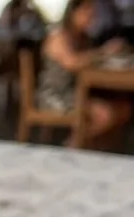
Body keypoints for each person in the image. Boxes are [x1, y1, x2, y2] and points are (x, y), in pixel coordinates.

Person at [39, 0, 130, 146]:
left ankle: (91, 146)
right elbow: (73, 63)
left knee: (124, 109)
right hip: (56, 95)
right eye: (87, 12)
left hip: (79, 91)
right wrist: (104, 52)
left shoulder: (84, 37)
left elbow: (89, 59)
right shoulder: (59, 36)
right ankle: (73, 144)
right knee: (106, 115)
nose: (91, 17)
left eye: (93, 14)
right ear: (73, 12)